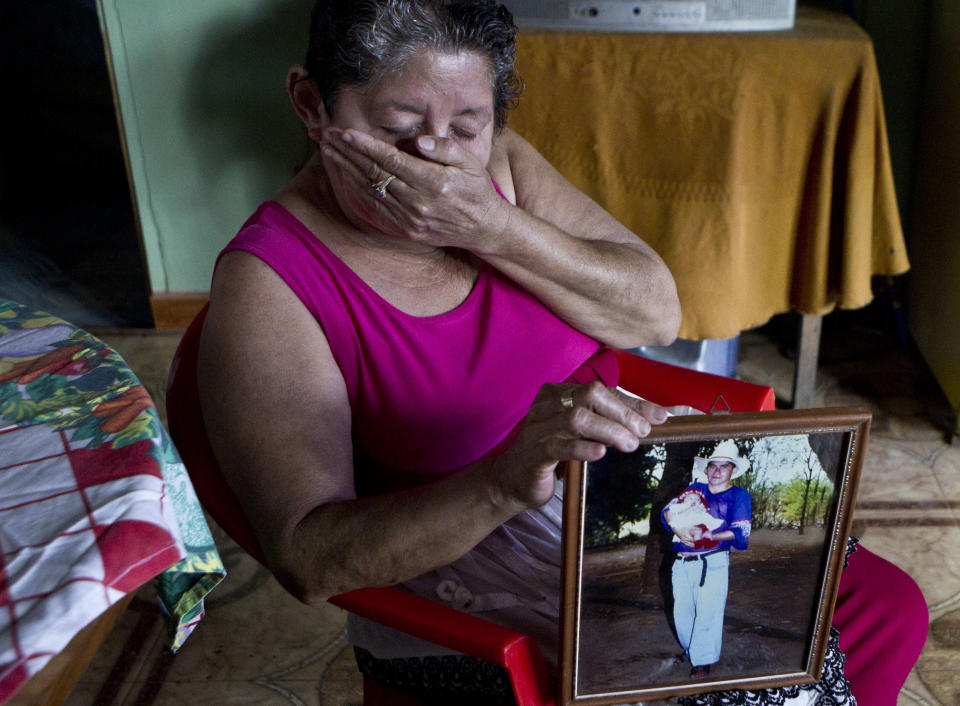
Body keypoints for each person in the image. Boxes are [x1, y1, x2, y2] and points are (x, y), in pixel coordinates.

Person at [196, 1, 926, 703]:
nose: (437, 161)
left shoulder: (502, 173)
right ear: (311, 104)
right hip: (469, 539)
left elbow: (653, 308)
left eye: (466, 127)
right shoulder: (270, 284)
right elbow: (308, 558)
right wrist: (502, 482)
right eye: (397, 128)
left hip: (615, 490)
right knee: (732, 675)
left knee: (884, 611)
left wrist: (491, 227)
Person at [662, 440, 752, 680]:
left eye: (724, 466)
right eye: (713, 466)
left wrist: (712, 534)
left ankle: (702, 660)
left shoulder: (738, 495)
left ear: (733, 470)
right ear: (706, 468)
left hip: (713, 562)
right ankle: (691, 648)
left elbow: (741, 531)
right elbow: (668, 511)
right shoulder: (694, 488)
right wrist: (677, 529)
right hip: (681, 561)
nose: (717, 471)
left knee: (708, 612)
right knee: (681, 611)